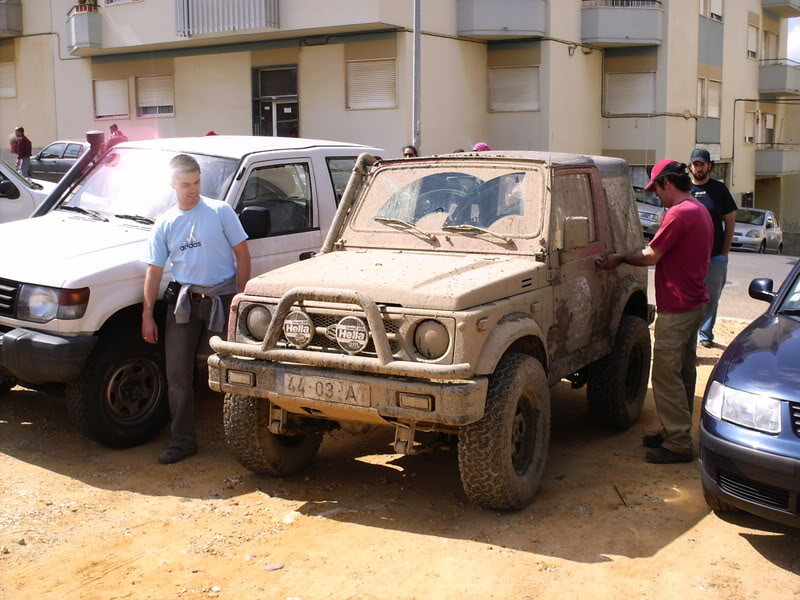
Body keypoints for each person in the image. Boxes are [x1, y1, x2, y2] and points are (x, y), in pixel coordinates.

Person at [598, 159, 713, 464]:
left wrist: (619, 257)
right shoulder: (699, 209)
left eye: (657, 189)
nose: (656, 195)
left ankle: (677, 443)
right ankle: (677, 431)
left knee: (664, 375)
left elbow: (651, 255)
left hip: (678, 307)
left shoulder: (679, 213)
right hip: (695, 302)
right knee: (683, 370)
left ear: (668, 183)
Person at [142, 154, 251, 464]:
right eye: (186, 184)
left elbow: (243, 254)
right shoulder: (165, 222)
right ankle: (182, 440)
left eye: (197, 182)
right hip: (184, 306)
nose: (193, 189)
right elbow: (153, 270)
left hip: (222, 301)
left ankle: (242, 440)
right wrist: (147, 314)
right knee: (177, 376)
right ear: (173, 184)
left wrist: (240, 299)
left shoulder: (220, 212)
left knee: (231, 372)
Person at [689, 148, 737, 348]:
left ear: (710, 166)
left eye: (702, 164)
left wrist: (724, 253)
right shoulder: (684, 190)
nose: (698, 168)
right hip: (690, 258)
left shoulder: (719, 189)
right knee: (690, 297)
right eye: (695, 164)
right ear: (690, 166)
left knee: (712, 297)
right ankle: (690, 336)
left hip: (715, 255)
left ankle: (705, 334)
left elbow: (730, 220)